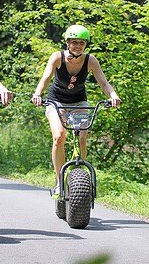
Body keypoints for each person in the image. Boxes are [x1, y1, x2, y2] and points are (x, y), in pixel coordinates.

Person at [31, 24, 121, 196]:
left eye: (81, 42)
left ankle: (80, 176)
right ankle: (59, 182)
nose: (77, 46)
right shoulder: (57, 57)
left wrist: (113, 95)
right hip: (56, 102)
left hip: (79, 102)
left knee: (81, 136)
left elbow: (103, 82)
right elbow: (46, 78)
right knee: (59, 136)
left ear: (86, 44)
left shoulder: (90, 60)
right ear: (67, 43)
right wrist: (37, 94)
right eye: (74, 42)